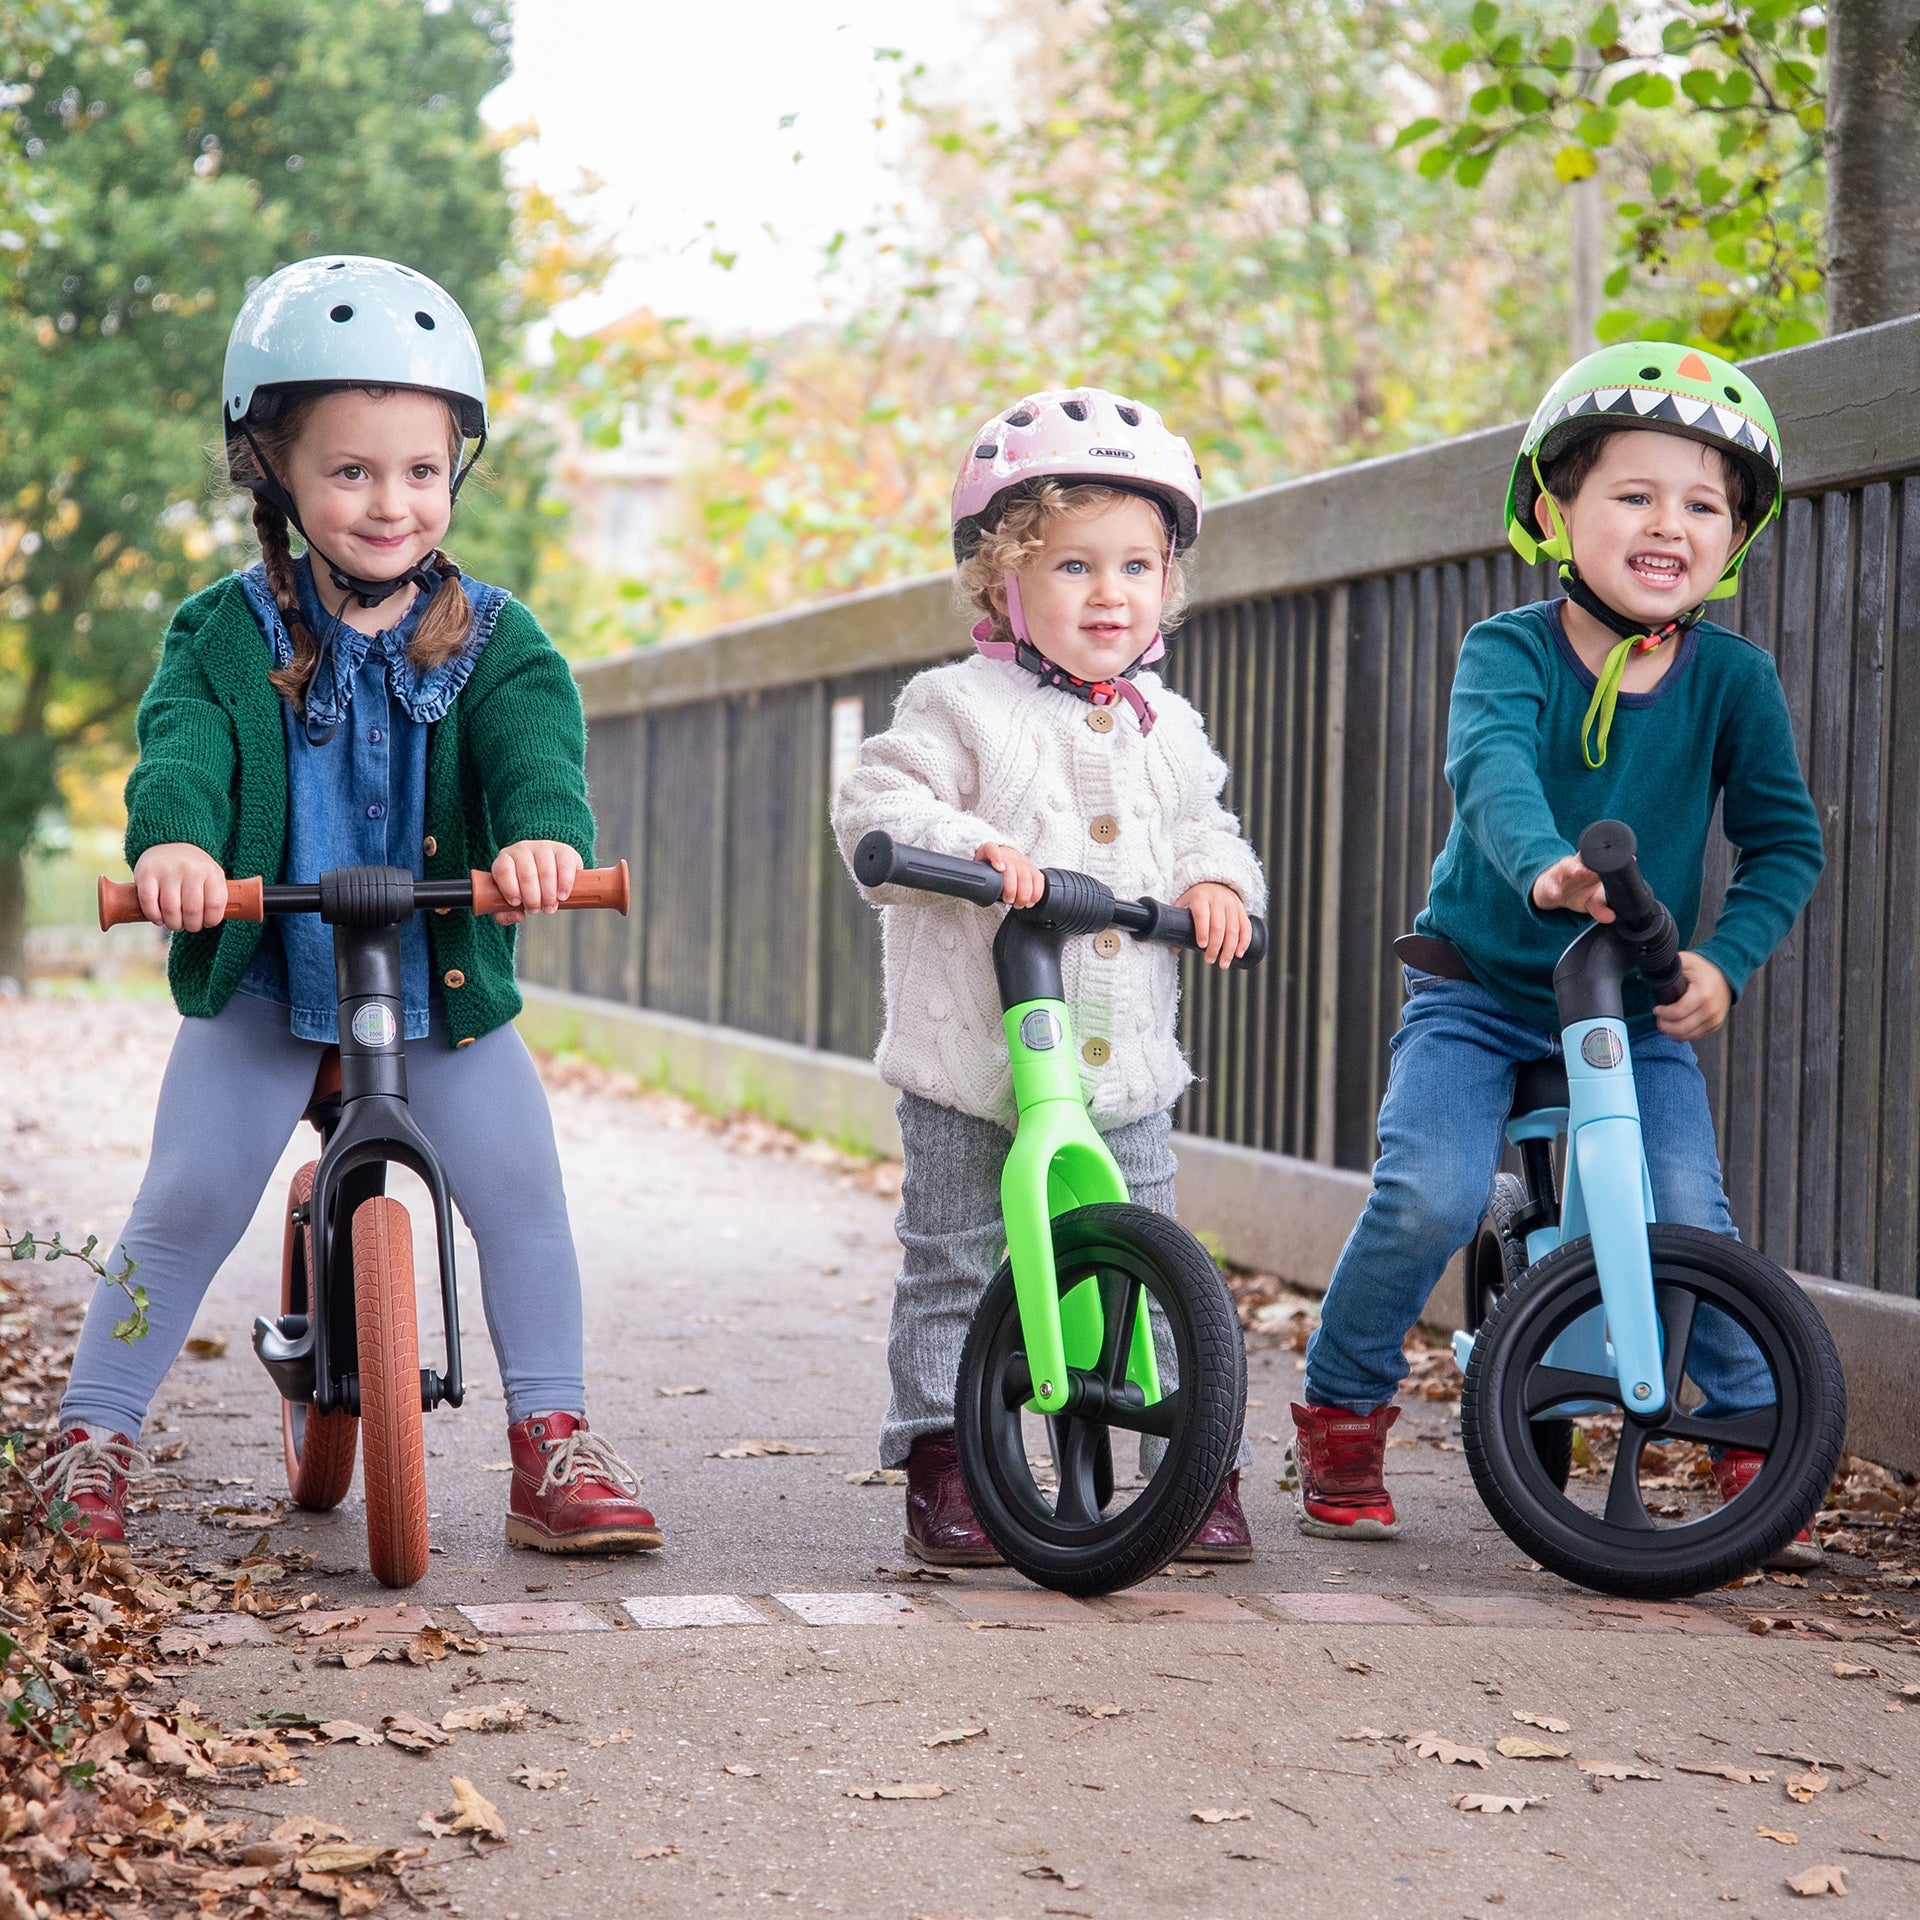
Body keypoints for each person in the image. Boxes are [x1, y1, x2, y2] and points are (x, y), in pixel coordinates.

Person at [36, 256, 660, 1557]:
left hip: (435, 984)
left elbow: (536, 746)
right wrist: (176, 852)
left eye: (421, 471)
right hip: (268, 978)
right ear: (274, 471)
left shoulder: (498, 637)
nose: (391, 502)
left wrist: (547, 838)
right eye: (353, 471)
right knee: (189, 1195)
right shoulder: (222, 634)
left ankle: (553, 1439)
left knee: (525, 1194)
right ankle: (93, 1431)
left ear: (456, 473)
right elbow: (183, 754)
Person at [1291, 341, 1825, 1567]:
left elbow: (1786, 846)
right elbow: (1490, 768)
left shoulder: (1735, 681)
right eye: (1633, 494)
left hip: (1629, 1004)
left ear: (1732, 539)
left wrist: (1723, 960)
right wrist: (1544, 864)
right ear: (1554, 510)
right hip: (1478, 994)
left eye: (1703, 505)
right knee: (1425, 1189)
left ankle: (1755, 1432)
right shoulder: (1510, 649)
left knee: (1687, 1207)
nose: (1668, 524)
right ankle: (1341, 1407)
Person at [833, 387, 1266, 1565]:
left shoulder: (1166, 726)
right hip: (976, 1061)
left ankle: (1194, 1458)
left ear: (1169, 582)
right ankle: (945, 1460)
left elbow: (1205, 831)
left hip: (1118, 1068)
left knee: (1153, 1262)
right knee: (960, 1257)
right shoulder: (958, 704)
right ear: (1002, 584)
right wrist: (978, 848)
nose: (1111, 593)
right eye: (1074, 566)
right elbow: (879, 800)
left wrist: (1220, 886)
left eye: (1137, 565)